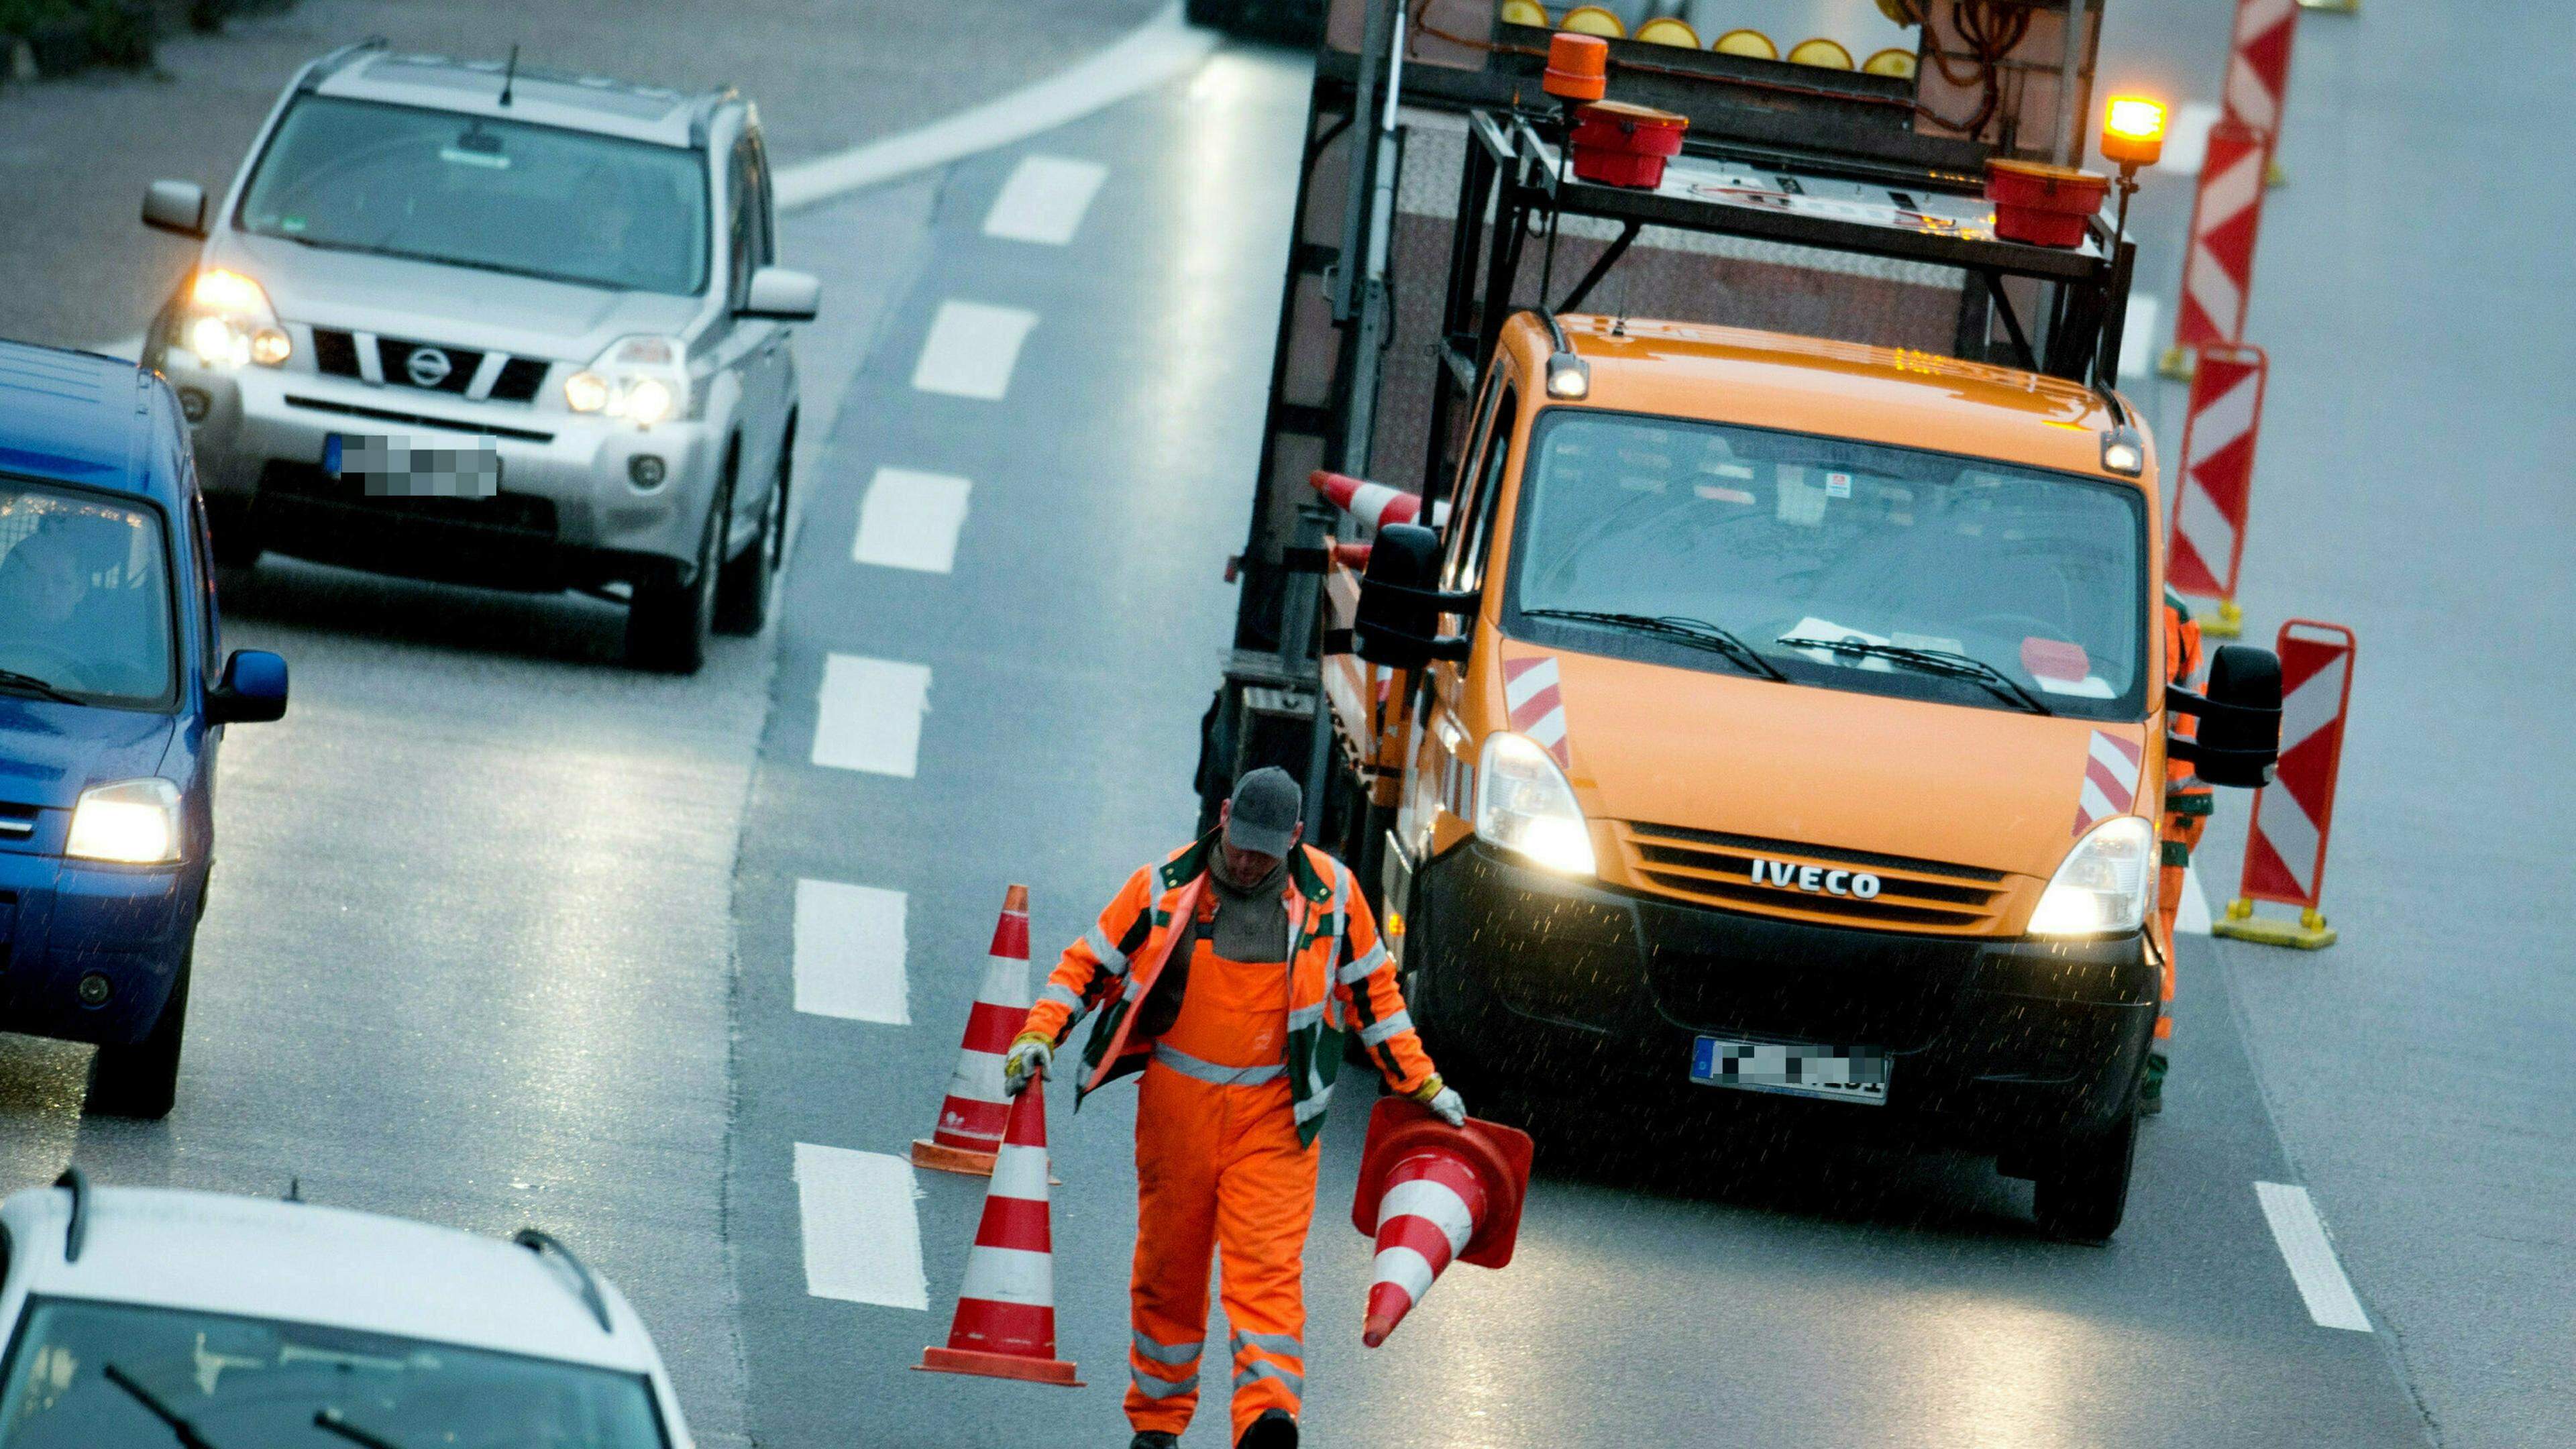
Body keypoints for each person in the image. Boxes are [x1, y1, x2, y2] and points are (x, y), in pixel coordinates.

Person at [1005, 767, 1464, 1449]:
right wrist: (1039, 1032)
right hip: (1177, 1114)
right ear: (1222, 816)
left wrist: (1423, 1084)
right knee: (1169, 1273)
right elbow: (1089, 967)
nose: (1248, 861)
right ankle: (1158, 1425)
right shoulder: (1162, 890)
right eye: (1240, 843)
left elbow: (1376, 995)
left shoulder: (1334, 897)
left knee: (1267, 1271)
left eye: (1265, 852)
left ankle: (1267, 1419)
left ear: (1296, 839)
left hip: (1277, 1117)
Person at [2144, 587, 2211, 1116]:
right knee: (2152, 936)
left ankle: (2144, 1066)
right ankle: (2143, 1068)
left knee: (2152, 937)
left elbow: (2192, 718)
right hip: (2158, 807)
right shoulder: (2172, 612)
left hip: (2156, 807)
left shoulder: (2174, 615)